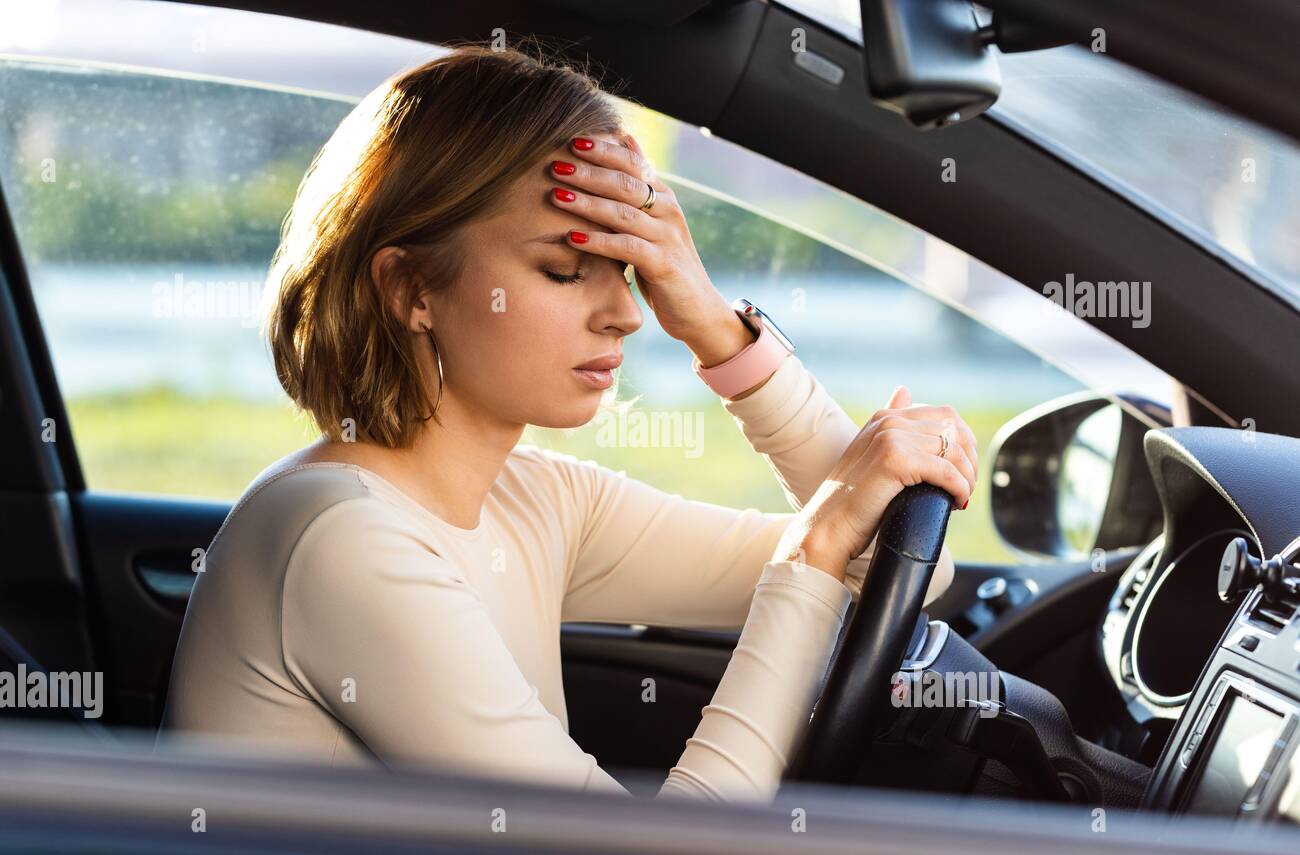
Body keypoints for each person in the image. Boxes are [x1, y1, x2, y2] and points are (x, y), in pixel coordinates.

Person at [157, 43, 978, 802]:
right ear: (411, 290)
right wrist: (814, 543)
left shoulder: (536, 500)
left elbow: (905, 571)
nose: (627, 312)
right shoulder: (341, 541)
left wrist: (716, 330)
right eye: (562, 269)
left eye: (630, 269)